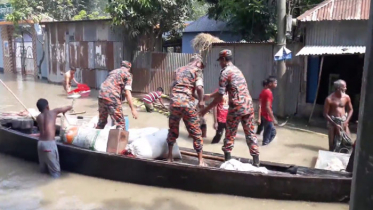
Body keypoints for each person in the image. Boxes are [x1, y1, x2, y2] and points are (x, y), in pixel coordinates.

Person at [200, 49, 260, 166]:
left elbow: (220, 98)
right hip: (248, 105)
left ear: (223, 59)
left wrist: (205, 110)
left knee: (230, 134)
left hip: (236, 106)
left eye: (220, 61)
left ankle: (227, 161)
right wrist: (210, 96)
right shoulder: (237, 70)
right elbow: (227, 90)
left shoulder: (225, 73)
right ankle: (256, 161)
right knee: (250, 134)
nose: (220, 64)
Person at [167, 54, 206, 166]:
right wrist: (202, 101)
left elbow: (173, 86)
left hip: (174, 102)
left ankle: (169, 158)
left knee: (173, 129)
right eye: (201, 66)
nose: (201, 68)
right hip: (187, 105)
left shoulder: (178, 70)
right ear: (198, 62)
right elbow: (199, 87)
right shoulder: (197, 70)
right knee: (196, 132)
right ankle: (201, 161)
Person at [35, 98, 72, 178]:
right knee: (55, 173)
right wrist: (70, 106)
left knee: (43, 171)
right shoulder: (54, 112)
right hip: (49, 145)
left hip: (40, 144)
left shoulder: (38, 117)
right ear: (47, 106)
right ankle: (55, 188)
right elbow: (66, 108)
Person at [96, 61, 138, 130]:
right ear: (129, 67)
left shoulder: (113, 72)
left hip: (101, 95)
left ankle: (95, 139)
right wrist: (133, 109)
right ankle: (118, 140)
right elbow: (127, 92)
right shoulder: (127, 74)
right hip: (112, 96)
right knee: (120, 124)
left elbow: (111, 85)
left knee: (101, 122)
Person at [324, 79, 353, 151]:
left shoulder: (346, 97)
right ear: (338, 88)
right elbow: (325, 114)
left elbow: (351, 110)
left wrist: (346, 121)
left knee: (348, 142)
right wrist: (334, 124)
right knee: (332, 145)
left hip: (343, 121)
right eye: (344, 87)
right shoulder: (329, 99)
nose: (345, 89)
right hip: (333, 122)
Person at [259, 76, 278, 145]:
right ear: (270, 84)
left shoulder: (264, 91)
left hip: (264, 115)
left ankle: (264, 146)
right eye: (275, 83)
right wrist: (273, 119)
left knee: (268, 133)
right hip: (267, 116)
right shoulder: (268, 92)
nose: (276, 84)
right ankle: (264, 148)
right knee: (271, 133)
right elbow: (267, 107)